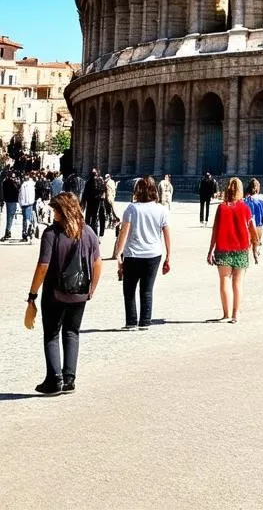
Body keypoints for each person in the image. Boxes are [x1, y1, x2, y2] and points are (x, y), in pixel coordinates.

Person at [25, 192, 103, 394]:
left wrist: (32, 294)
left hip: (55, 292)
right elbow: (97, 263)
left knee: (51, 334)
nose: (53, 213)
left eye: (55, 209)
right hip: (80, 292)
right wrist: (91, 288)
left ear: (63, 210)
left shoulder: (52, 234)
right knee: (72, 332)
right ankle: (69, 378)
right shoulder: (88, 232)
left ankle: (54, 380)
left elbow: (43, 266)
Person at [111, 176, 171, 330]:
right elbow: (166, 234)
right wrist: (169, 256)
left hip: (133, 254)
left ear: (137, 191)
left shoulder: (132, 209)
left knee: (129, 289)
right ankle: (145, 321)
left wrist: (118, 254)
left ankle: (131, 322)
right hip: (153, 254)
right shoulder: (161, 210)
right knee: (147, 289)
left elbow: (123, 233)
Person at [206, 176, 260, 322]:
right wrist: (256, 245)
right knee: (238, 282)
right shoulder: (245, 208)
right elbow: (252, 228)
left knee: (224, 280)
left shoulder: (221, 207)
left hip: (223, 248)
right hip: (242, 249)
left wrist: (210, 250)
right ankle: (235, 315)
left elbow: (215, 230)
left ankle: (226, 314)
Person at [244, 178, 263, 260]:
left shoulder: (245, 201)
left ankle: (246, 256)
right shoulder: (260, 201)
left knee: (247, 243)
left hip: (248, 226)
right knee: (256, 242)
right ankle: (255, 252)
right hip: (258, 226)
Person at [82, 168, 105, 237]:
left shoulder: (88, 182)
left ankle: (88, 234)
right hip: (98, 203)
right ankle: (97, 234)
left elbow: (85, 194)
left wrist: (83, 203)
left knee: (89, 219)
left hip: (91, 203)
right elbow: (103, 192)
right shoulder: (100, 181)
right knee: (97, 219)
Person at [19, 171, 37, 242]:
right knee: (27, 218)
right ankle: (28, 232)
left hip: (25, 204)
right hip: (29, 203)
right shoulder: (31, 184)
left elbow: (20, 195)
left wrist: (21, 203)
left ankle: (26, 234)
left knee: (26, 219)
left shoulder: (24, 184)